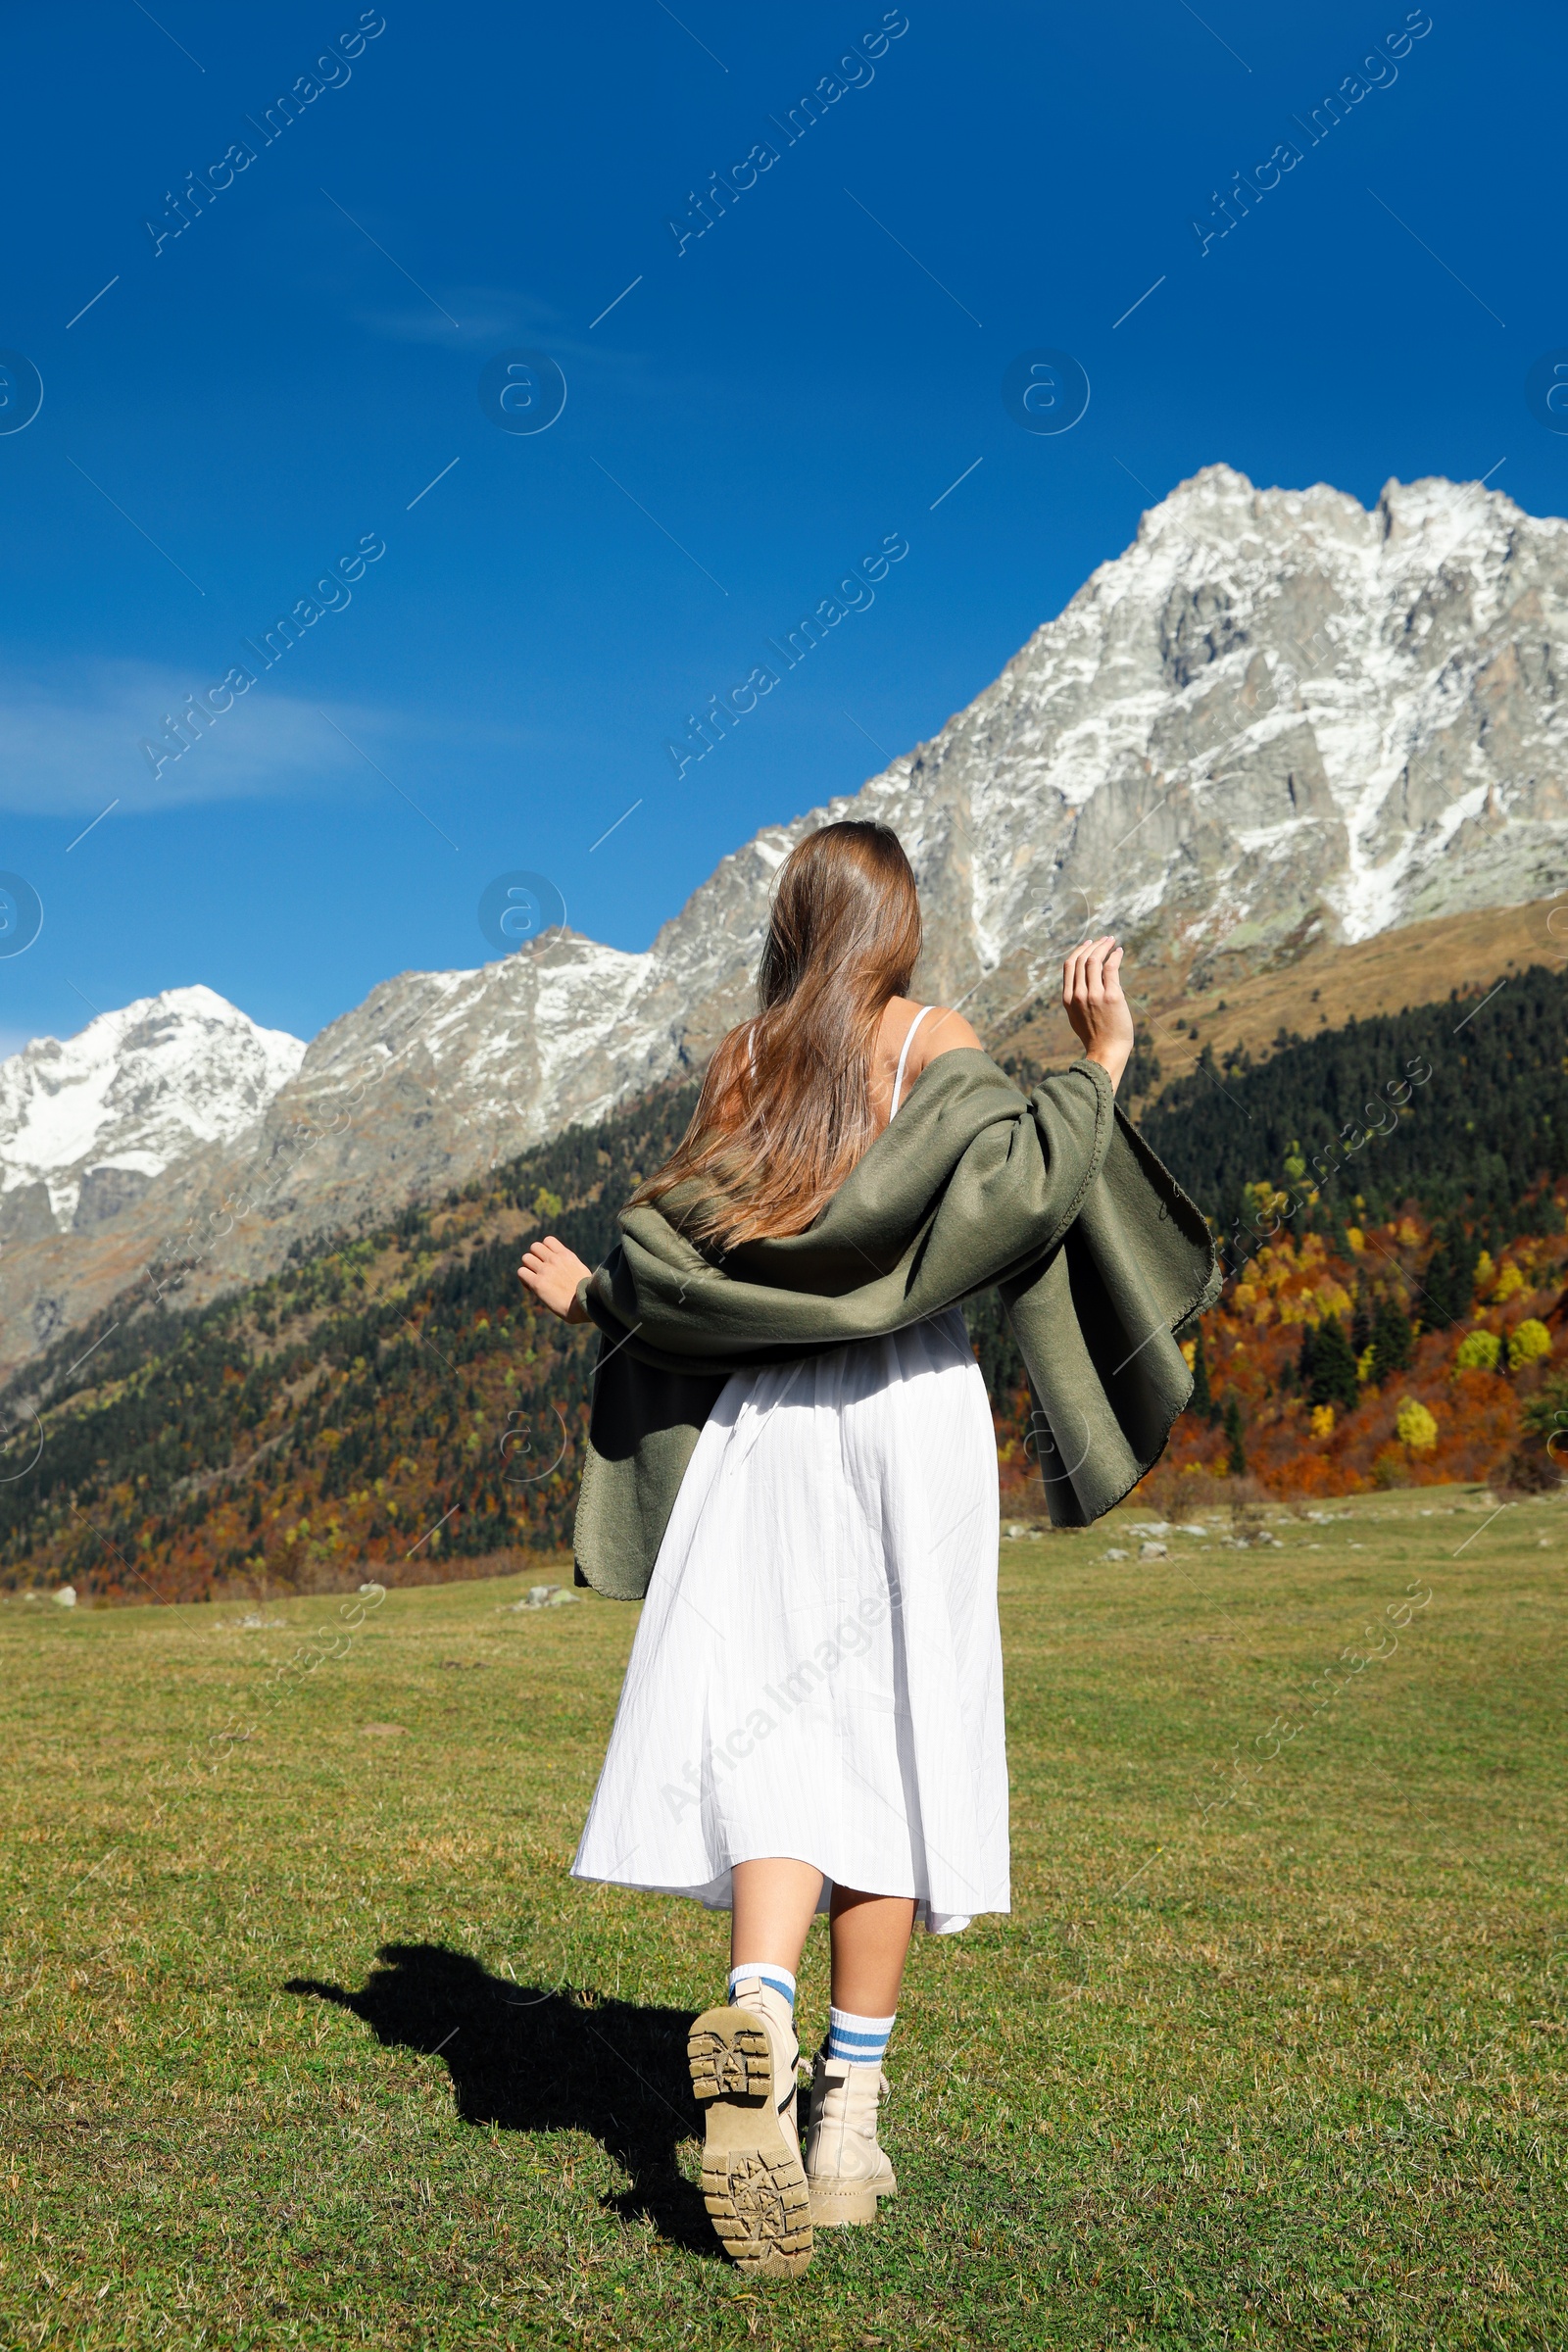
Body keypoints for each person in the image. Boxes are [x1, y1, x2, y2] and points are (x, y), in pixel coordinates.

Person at [518, 820, 1209, 2280]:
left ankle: (755, 2010)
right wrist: (1103, 1062)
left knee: (779, 1732)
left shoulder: (745, 1067)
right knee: (895, 1739)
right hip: (909, 1426)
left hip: (768, 1436)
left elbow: (698, 1280)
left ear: (792, 922)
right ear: (899, 924)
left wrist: (597, 1304)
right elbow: (1027, 1197)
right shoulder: (934, 1044)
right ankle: (846, 2124)